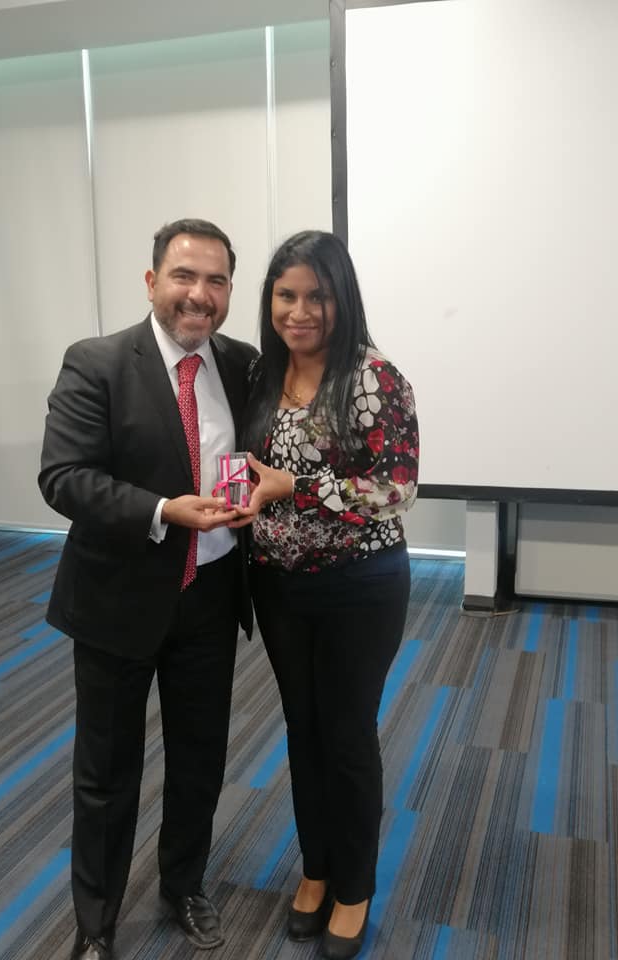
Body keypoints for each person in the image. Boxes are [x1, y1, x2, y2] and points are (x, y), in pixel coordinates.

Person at [38, 218, 257, 960]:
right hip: (118, 600)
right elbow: (64, 478)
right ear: (152, 281)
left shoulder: (242, 363)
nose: (200, 294)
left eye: (217, 280)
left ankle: (183, 885)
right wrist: (163, 510)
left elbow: (253, 457)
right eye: (184, 276)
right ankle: (96, 922)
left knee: (200, 757)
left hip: (212, 593)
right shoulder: (97, 363)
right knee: (107, 772)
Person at [236, 230, 419, 960]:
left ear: (342, 299)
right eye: (286, 295)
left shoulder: (375, 378)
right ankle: (315, 868)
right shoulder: (262, 372)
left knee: (346, 736)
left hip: (360, 587)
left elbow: (396, 489)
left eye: (317, 296)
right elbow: (246, 464)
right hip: (278, 585)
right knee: (302, 730)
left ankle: (354, 885)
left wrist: (299, 488)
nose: (300, 311)